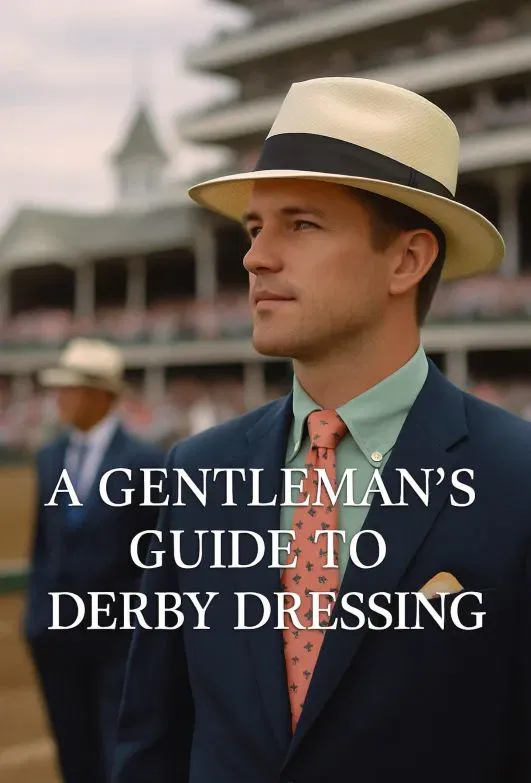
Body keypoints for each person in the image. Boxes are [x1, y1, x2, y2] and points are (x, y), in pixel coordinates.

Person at [112, 77, 531, 782]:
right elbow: (151, 744)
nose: (254, 258)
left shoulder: (516, 479)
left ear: (406, 259)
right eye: (253, 229)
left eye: (299, 225)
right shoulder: (194, 472)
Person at [23, 338, 166, 783]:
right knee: (73, 752)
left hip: (117, 643)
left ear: (103, 394)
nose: (60, 396)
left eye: (71, 387)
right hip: (56, 642)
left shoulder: (147, 463)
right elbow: (44, 544)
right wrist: (36, 621)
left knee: (116, 757)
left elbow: (155, 559)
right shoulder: (50, 458)